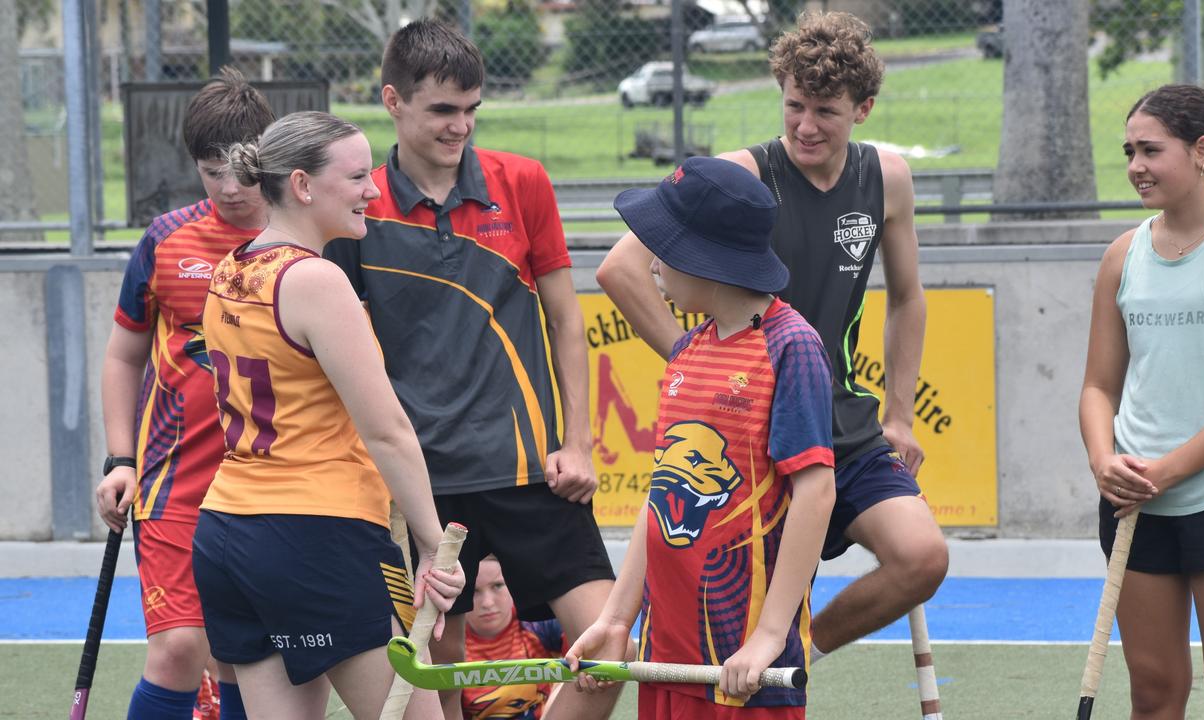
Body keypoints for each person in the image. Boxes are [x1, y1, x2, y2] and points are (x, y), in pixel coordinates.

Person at [594, 10, 948, 659]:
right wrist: (694, 360)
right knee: (721, 619)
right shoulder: (743, 178)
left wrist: (901, 414)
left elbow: (907, 297)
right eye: (794, 106)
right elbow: (620, 269)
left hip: (845, 424)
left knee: (922, 557)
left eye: (826, 112)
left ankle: (800, 648)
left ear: (863, 108)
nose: (806, 126)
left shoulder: (888, 177)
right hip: (754, 436)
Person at [323, 19, 623, 720]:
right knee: (439, 671)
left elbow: (566, 321)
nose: (460, 127)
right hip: (424, 486)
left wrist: (578, 443)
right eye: (441, 111)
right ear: (392, 100)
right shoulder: (359, 205)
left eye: (471, 110)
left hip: (530, 471)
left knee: (605, 650)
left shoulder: (524, 182)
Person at [193, 111, 463, 719]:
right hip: (316, 535)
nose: (373, 189)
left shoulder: (229, 268)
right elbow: (387, 429)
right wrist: (430, 544)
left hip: (229, 534)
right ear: (303, 185)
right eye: (358, 176)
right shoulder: (316, 279)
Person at [567, 156, 836, 718]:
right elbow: (662, 493)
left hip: (740, 664)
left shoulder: (791, 347)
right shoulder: (689, 349)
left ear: (706, 258)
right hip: (670, 652)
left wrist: (768, 634)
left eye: (664, 247)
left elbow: (816, 494)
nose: (653, 263)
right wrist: (617, 618)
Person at [1079, 84, 1204, 719]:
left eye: (1151, 150)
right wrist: (1102, 459)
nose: (1136, 165)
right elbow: (1098, 386)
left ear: (1201, 151)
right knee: (1156, 693)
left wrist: (1170, 470)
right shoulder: (1122, 255)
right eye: (1129, 150)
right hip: (1136, 504)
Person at [93, 66, 273, 720]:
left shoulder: (311, 238)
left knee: (248, 659)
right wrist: (120, 459)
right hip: (176, 485)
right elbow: (123, 356)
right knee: (178, 648)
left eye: (242, 171)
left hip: (276, 484)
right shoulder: (165, 240)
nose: (228, 189)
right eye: (210, 171)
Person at [463, 556, 566, 719]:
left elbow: (591, 656)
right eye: (473, 591)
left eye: (497, 586)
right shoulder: (448, 641)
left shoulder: (538, 622)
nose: (487, 603)